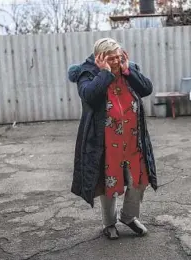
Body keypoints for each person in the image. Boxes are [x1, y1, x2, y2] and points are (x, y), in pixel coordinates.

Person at [67, 38, 157, 240]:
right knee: (109, 183)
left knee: (139, 180)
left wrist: (128, 71)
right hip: (105, 142)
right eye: (112, 58)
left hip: (133, 138)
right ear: (100, 58)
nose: (117, 61)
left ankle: (128, 216)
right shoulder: (87, 73)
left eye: (119, 56)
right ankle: (109, 223)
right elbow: (89, 96)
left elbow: (146, 89)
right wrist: (105, 73)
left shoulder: (128, 69)